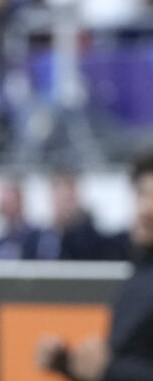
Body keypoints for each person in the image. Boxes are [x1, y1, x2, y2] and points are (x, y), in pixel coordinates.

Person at [37, 153, 153, 381]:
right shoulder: (139, 270)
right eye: (142, 194)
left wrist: (109, 370)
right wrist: (69, 364)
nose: (145, 209)